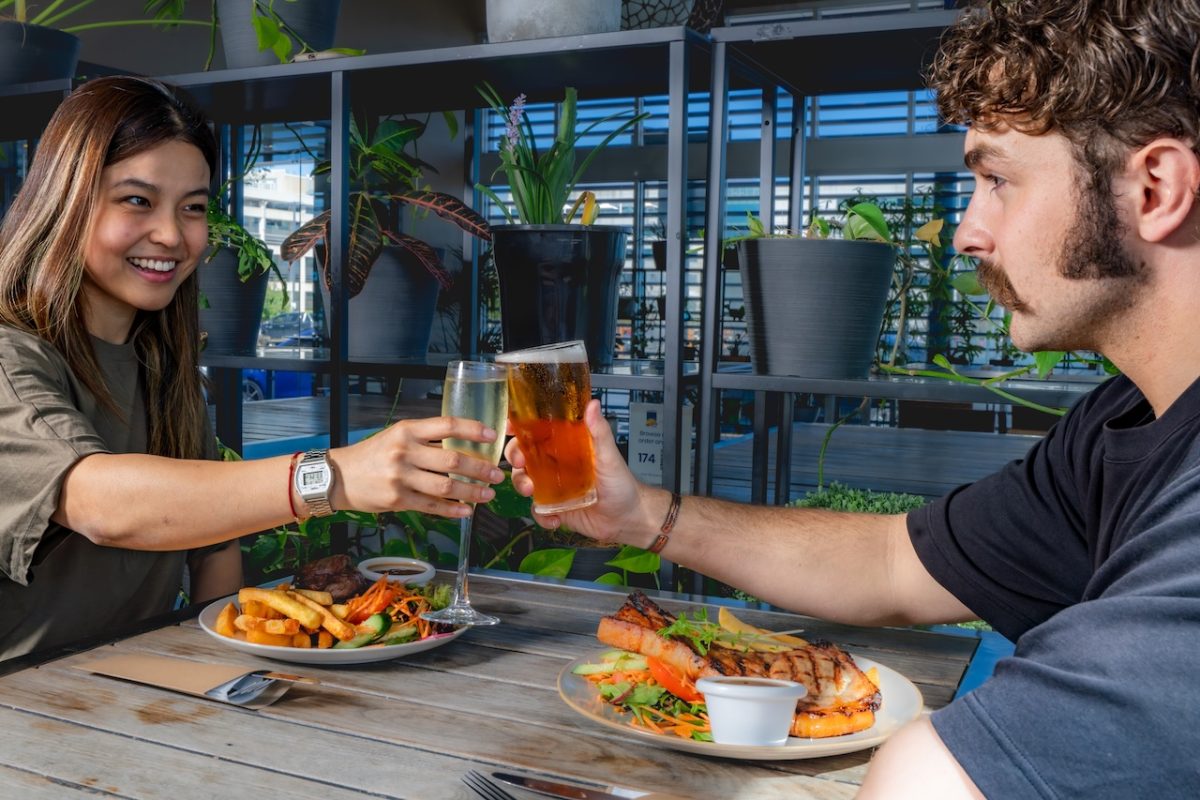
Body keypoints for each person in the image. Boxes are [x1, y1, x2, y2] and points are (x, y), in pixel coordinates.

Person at [506, 2, 1200, 797]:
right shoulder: (1118, 426)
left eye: (998, 180)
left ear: (1154, 189)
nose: (968, 231)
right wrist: (641, 517)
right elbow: (895, 564)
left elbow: (931, 779)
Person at [0, 76, 503, 663]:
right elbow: (99, 503)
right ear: (65, 201)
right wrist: (332, 477)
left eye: (193, 207)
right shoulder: (11, 357)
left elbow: (214, 548)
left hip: (144, 684)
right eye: (137, 200)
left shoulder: (162, 361)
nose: (172, 235)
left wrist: (226, 672)